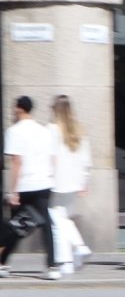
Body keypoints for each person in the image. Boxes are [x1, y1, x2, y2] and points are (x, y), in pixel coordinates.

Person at [4, 95, 60, 279]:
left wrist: (14, 191)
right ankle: (52, 267)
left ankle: (3, 262)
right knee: (46, 226)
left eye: (15, 108)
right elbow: (52, 158)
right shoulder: (44, 131)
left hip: (26, 185)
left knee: (17, 226)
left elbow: (16, 162)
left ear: (19, 109)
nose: (13, 111)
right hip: (44, 184)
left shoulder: (14, 131)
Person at [48, 95, 92, 275]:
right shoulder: (79, 131)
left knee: (56, 220)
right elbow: (86, 160)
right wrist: (84, 181)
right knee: (63, 218)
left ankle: (68, 256)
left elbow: (50, 157)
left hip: (56, 181)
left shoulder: (51, 130)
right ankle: (75, 253)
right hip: (74, 182)